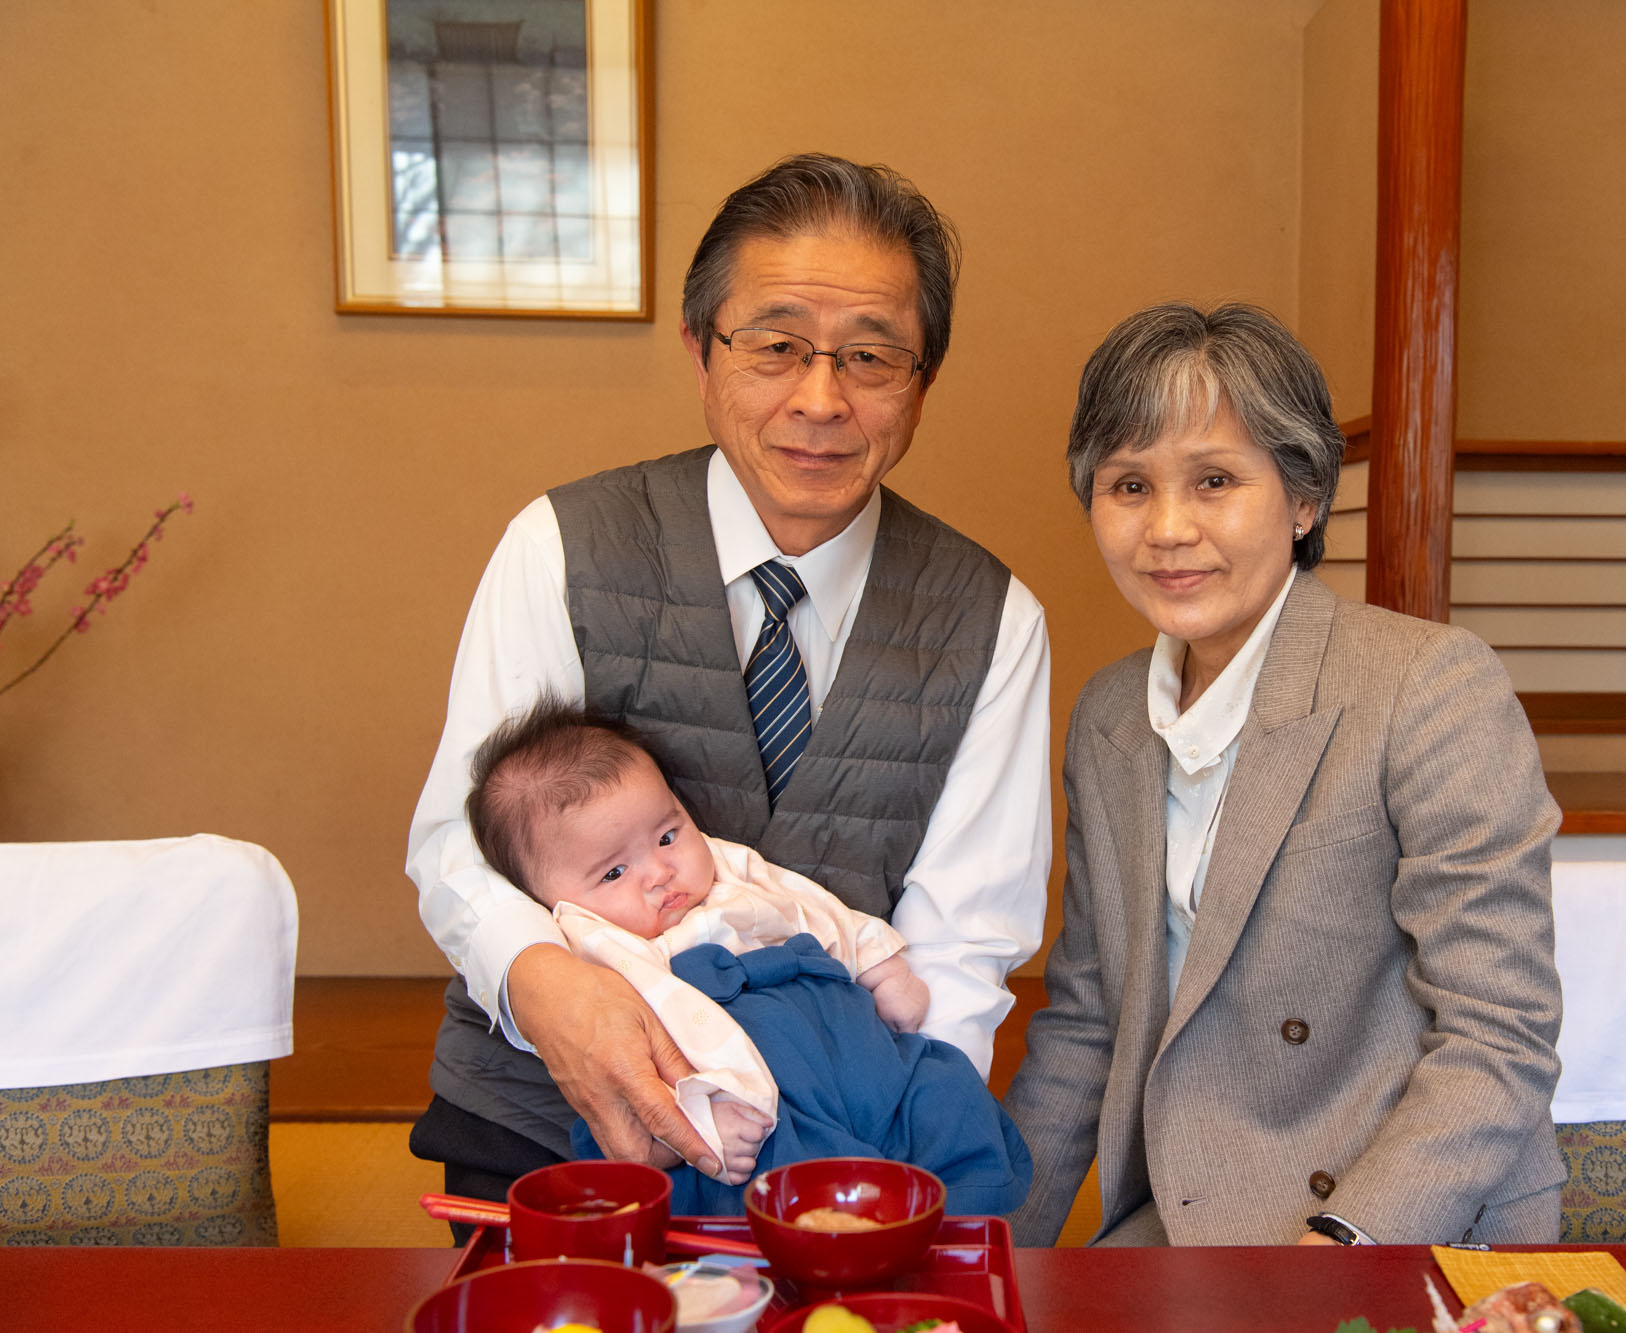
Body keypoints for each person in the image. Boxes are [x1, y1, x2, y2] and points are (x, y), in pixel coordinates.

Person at [406, 154, 1052, 1209]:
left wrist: (887, 1167)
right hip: (544, 1139)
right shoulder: (561, 545)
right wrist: (554, 994)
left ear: (921, 382)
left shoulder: (993, 620)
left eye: (870, 356)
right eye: (776, 344)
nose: (819, 398)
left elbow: (961, 948)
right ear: (701, 353)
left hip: (844, 1159)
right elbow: (455, 843)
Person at [1002, 302, 1564, 1247]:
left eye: (1215, 479)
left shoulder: (1426, 683)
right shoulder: (1108, 717)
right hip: (1183, 1206)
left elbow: (1498, 1033)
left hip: (1393, 1215)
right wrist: (973, 1254)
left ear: (1304, 499)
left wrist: (1340, 1244)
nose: (1168, 529)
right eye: (1129, 484)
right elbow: (1088, 1020)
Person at [461, 698, 1032, 1216]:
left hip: (852, 1039)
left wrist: (879, 964)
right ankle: (853, 1241)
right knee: (782, 1175)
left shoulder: (724, 862)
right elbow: (677, 1019)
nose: (660, 873)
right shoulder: (595, 940)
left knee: (944, 1089)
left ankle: (960, 1214)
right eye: (614, 872)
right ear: (551, 898)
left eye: (666, 835)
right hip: (752, 1084)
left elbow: (808, 904)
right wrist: (712, 1110)